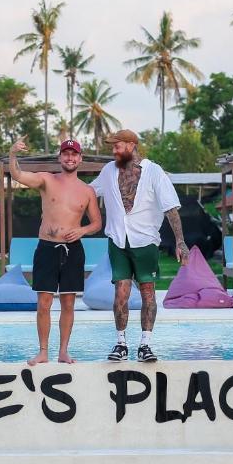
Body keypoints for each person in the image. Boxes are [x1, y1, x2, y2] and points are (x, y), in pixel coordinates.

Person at [90, 129, 189, 362]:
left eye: (117, 146)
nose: (113, 150)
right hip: (118, 241)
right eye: (112, 146)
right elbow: (88, 191)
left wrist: (180, 242)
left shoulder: (154, 172)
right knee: (120, 294)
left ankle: (145, 345)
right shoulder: (108, 171)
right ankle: (121, 343)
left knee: (148, 293)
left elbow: (171, 209)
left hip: (145, 242)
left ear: (131, 145)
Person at [9, 137, 102, 364]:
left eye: (74, 154)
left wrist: (81, 231)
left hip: (73, 250)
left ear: (80, 159)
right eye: (66, 154)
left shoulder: (87, 191)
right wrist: (12, 155)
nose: (70, 158)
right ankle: (43, 352)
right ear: (60, 157)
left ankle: (63, 351)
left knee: (68, 302)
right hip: (47, 248)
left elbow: (97, 223)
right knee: (44, 302)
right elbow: (18, 175)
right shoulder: (47, 180)